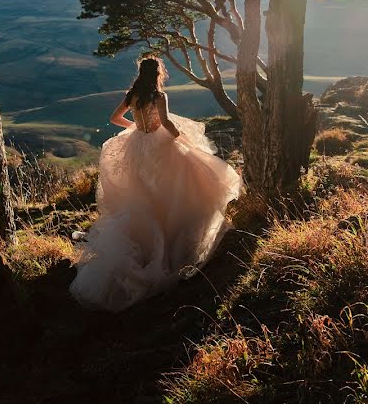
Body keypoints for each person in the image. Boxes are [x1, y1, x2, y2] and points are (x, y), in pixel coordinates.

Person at [69, 57, 242, 312]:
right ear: (158, 74)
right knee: (174, 189)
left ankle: (151, 239)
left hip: (138, 147)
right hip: (160, 147)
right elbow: (169, 123)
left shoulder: (132, 95)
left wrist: (135, 128)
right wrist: (183, 141)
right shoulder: (158, 96)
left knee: (145, 193)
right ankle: (172, 240)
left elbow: (114, 118)